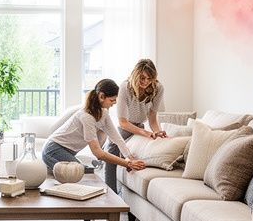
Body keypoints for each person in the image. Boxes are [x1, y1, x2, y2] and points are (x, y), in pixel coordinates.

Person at [42, 78, 146, 176]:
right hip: (53, 149)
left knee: (84, 171)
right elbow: (98, 153)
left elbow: (117, 138)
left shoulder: (104, 113)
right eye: (112, 100)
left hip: (67, 151)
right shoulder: (86, 117)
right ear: (101, 96)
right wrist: (126, 164)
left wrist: (130, 158)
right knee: (80, 171)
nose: (114, 103)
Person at [104, 59, 166, 190]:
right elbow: (122, 122)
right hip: (125, 127)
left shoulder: (158, 88)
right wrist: (145, 133)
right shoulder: (125, 87)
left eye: (149, 78)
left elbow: (152, 117)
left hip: (140, 126)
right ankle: (110, 195)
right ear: (136, 74)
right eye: (142, 78)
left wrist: (156, 132)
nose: (146, 82)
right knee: (112, 152)